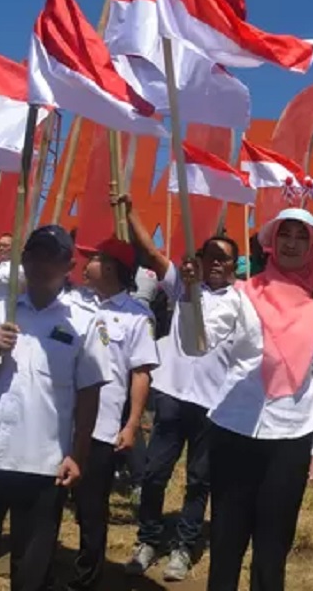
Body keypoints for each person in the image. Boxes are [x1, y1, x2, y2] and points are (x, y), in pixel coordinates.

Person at [175, 208, 313, 591]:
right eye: (286, 234)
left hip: (291, 435)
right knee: (226, 541)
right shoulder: (242, 295)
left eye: (303, 237)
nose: (292, 243)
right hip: (234, 428)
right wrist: (189, 294)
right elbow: (195, 343)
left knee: (272, 547)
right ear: (271, 241)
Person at [0, 225, 112, 591]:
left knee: (31, 574)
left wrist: (79, 454)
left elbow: (89, 393)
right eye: (35, 253)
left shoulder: (82, 321)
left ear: (69, 265)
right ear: (24, 259)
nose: (41, 263)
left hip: (43, 465)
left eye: (52, 256)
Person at [119, 194, 228, 581]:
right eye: (210, 255)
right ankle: (148, 539)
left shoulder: (242, 300)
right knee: (153, 473)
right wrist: (129, 211)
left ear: (234, 266)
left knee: (200, 481)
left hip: (213, 406)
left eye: (224, 257)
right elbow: (149, 252)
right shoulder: (184, 289)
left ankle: (183, 546)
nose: (216, 262)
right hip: (171, 396)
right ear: (199, 261)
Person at [67, 238, 159, 591]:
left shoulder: (137, 315)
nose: (85, 263)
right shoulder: (72, 302)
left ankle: (87, 578)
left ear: (110, 267)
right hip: (59, 419)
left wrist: (132, 424)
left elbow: (140, 373)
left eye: (93, 258)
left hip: (102, 426)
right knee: (49, 503)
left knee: (91, 509)